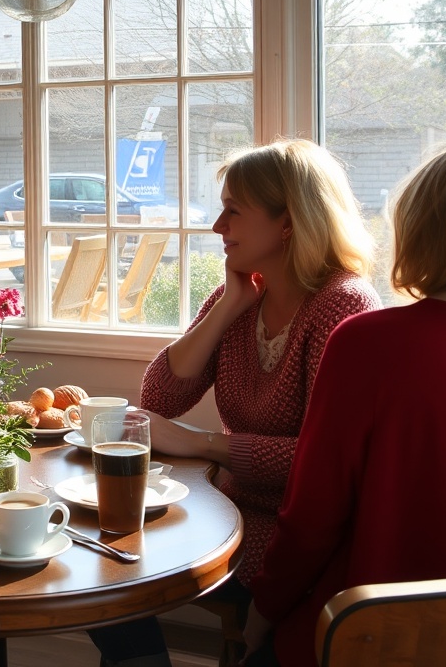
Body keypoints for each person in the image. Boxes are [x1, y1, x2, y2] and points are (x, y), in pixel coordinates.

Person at [90, 139, 381, 667]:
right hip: (227, 511)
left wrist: (206, 445)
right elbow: (160, 397)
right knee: (96, 556)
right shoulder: (244, 294)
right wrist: (228, 307)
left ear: (288, 223)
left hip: (296, 534)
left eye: (233, 211)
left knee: (112, 565)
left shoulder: (342, 306)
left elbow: (326, 469)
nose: (218, 227)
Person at [243, 142, 446, 666]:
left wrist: (261, 616)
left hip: (371, 634)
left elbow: (313, 515)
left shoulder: (369, 342)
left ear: (422, 230)